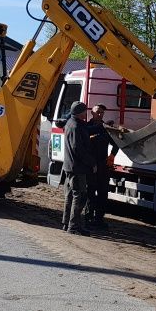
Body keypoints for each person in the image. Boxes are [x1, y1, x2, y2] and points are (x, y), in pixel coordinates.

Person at [60, 101, 93, 235]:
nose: (86, 113)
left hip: (69, 166)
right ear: (80, 112)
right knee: (79, 196)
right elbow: (77, 148)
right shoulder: (75, 126)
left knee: (70, 195)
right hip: (77, 167)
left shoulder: (71, 123)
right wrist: (92, 163)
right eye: (85, 111)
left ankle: (66, 223)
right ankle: (73, 226)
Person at [85, 103, 116, 229]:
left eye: (102, 112)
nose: (100, 114)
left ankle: (99, 219)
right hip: (90, 166)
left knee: (103, 193)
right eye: (98, 112)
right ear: (92, 113)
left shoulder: (106, 128)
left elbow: (116, 143)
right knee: (90, 193)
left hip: (103, 166)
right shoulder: (86, 127)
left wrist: (112, 155)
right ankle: (88, 218)